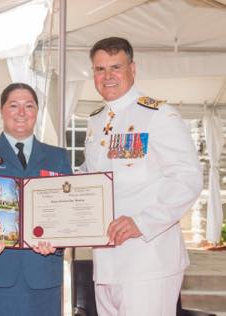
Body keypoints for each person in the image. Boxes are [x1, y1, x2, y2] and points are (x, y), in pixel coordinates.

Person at [81, 37, 202, 316]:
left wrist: (143, 222)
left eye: (115, 67)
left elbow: (188, 178)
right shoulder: (96, 121)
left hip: (148, 260)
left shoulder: (159, 115)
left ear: (132, 69)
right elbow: (92, 177)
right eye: (100, 69)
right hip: (105, 261)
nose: (107, 76)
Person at [0, 83, 72, 316]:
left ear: (36, 112)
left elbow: (68, 215)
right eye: (14, 105)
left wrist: (57, 242)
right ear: (2, 111)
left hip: (40, 277)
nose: (21, 112)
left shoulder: (58, 157)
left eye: (29, 106)